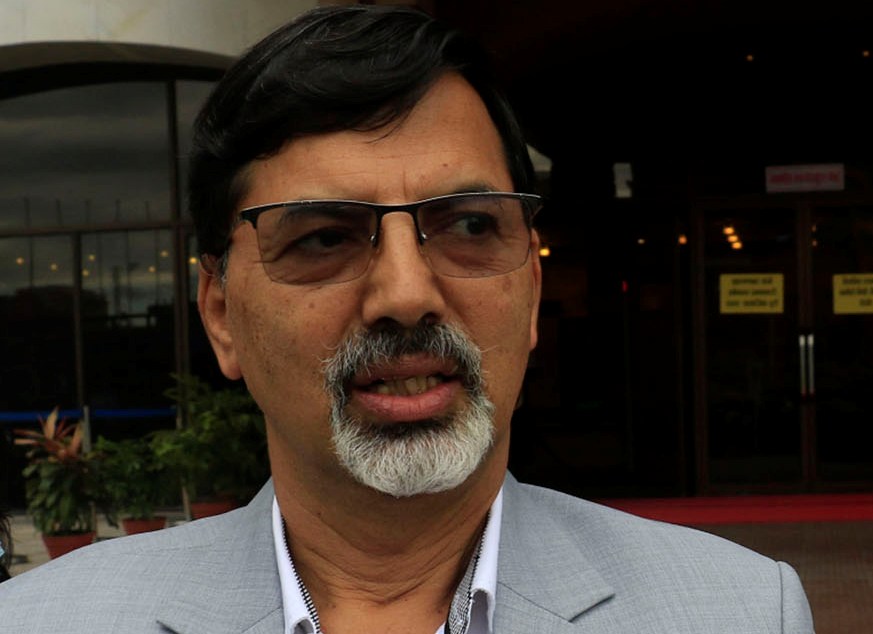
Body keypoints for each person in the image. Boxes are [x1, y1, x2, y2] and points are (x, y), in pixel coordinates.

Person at [0, 5, 814, 633]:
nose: (405, 293)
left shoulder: (742, 612)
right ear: (220, 315)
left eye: (469, 225)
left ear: (531, 290)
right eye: (324, 237)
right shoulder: (44, 622)